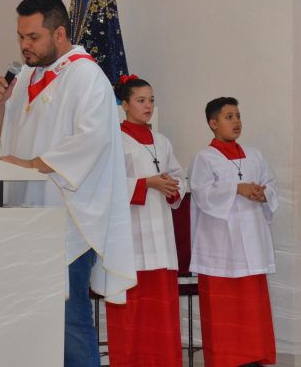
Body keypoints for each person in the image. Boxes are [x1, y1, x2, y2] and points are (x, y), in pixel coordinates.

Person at [0, 0, 135, 367]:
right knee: (32, 322)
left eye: (33, 37)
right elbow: (6, 142)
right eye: (20, 36)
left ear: (60, 34)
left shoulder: (86, 76)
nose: (24, 45)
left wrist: (32, 164)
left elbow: (92, 140)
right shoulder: (24, 79)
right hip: (29, 217)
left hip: (69, 218)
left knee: (69, 322)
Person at [189, 97, 277, 367]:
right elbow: (201, 193)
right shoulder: (205, 158)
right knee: (223, 309)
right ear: (213, 124)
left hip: (251, 242)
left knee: (251, 307)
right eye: (229, 117)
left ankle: (253, 357)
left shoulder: (254, 154)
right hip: (220, 247)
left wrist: (264, 194)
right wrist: (236, 189)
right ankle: (226, 359)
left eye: (238, 115)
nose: (236, 121)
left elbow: (270, 184)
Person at [105, 75, 186, 367]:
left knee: (161, 314)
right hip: (132, 239)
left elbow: (180, 177)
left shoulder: (162, 142)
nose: (148, 105)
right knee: (133, 314)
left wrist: (173, 187)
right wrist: (146, 184)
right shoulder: (115, 139)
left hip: (161, 240)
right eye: (141, 100)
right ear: (125, 104)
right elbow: (108, 182)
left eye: (151, 100)